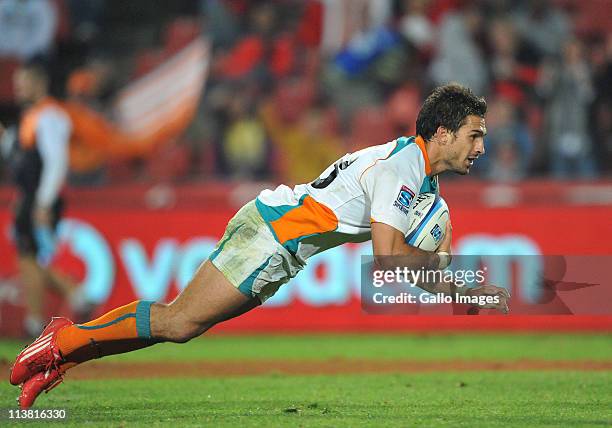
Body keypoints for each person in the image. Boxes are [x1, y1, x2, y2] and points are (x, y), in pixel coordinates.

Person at [9, 84, 510, 408]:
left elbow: (410, 267)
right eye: (474, 134)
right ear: (442, 133)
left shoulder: (425, 188)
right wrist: (452, 270)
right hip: (272, 234)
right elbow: (388, 261)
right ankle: (62, 342)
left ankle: (64, 354)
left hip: (283, 246)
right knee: (179, 321)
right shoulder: (402, 170)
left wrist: (468, 290)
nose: (482, 147)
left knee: (181, 324)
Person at [0, 62, 89, 338]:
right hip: (30, 196)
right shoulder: (34, 115)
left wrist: (42, 201)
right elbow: (21, 159)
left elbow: (56, 162)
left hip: (40, 198)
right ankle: (73, 297)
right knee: (30, 258)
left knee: (30, 257)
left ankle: (36, 320)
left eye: (23, 83)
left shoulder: (50, 116)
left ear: (39, 83)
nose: (17, 89)